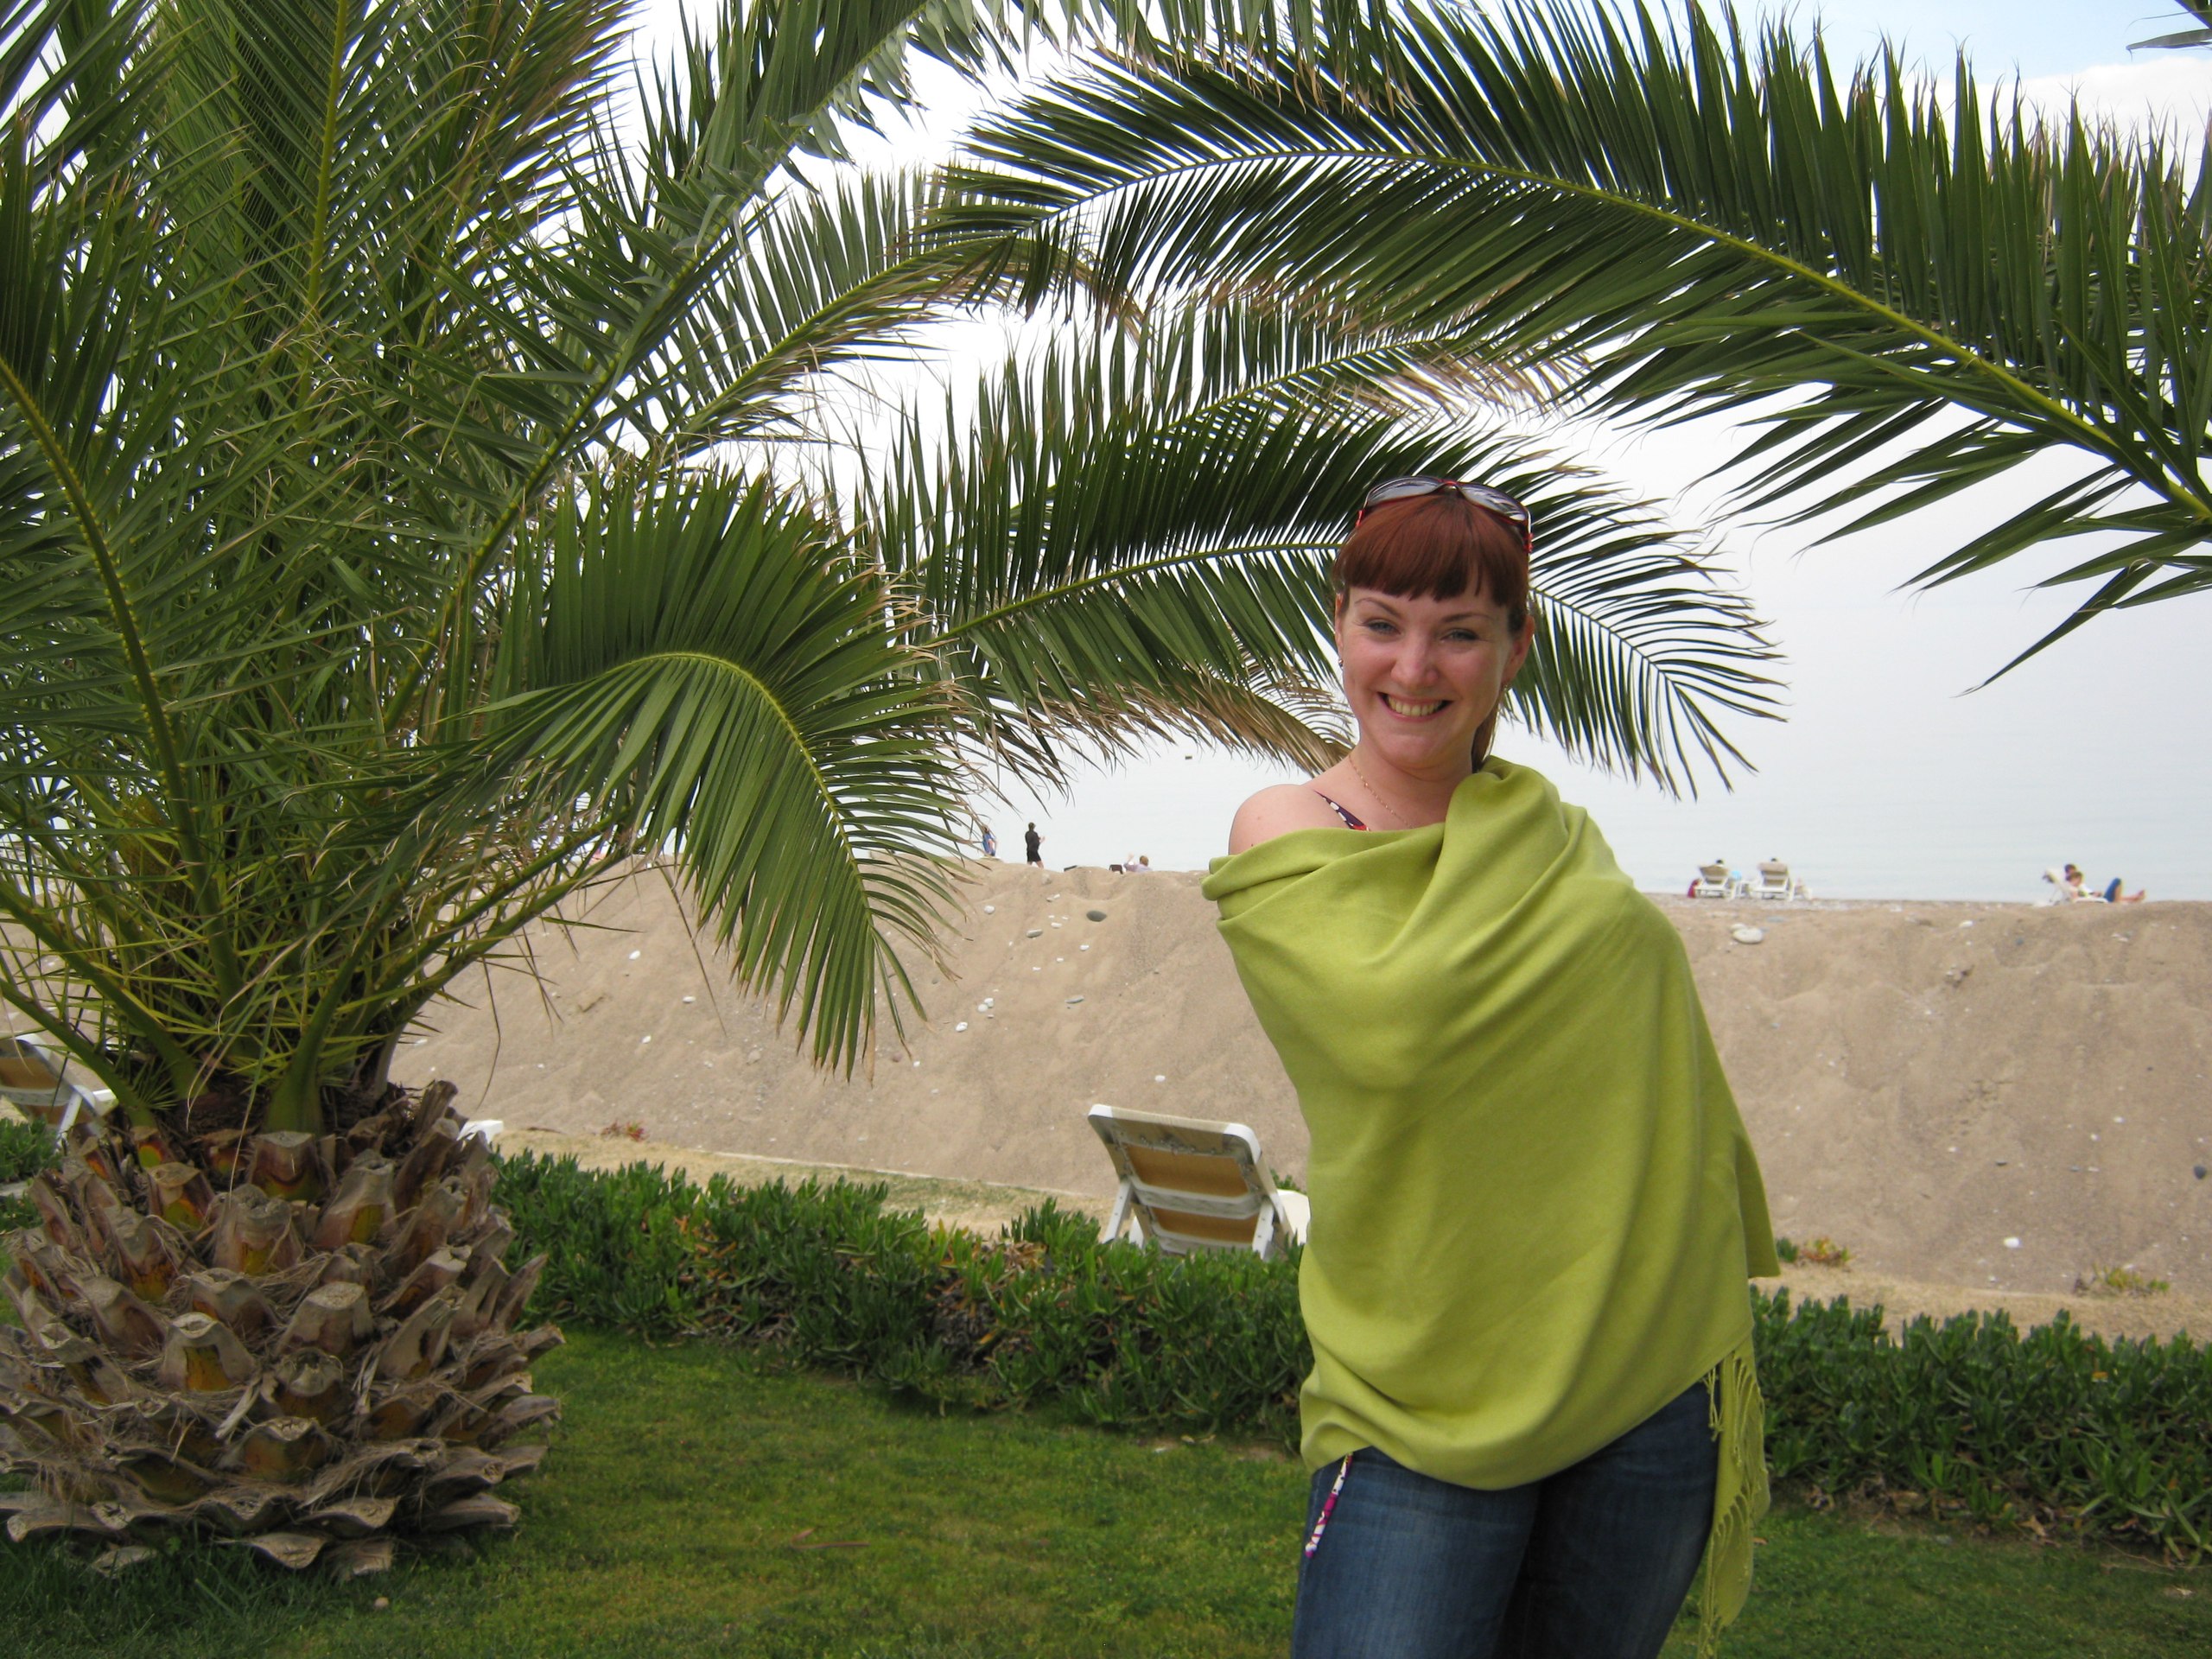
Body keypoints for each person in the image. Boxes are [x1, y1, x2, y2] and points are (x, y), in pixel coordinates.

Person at [1204, 476, 1777, 1659]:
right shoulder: (1290, 830)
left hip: (1644, 1373)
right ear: (1340, 627)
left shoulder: (1555, 837)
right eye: (1383, 623)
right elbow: (1391, 1033)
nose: (1414, 668)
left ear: (1514, 651)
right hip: (1414, 1393)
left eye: (1459, 633)